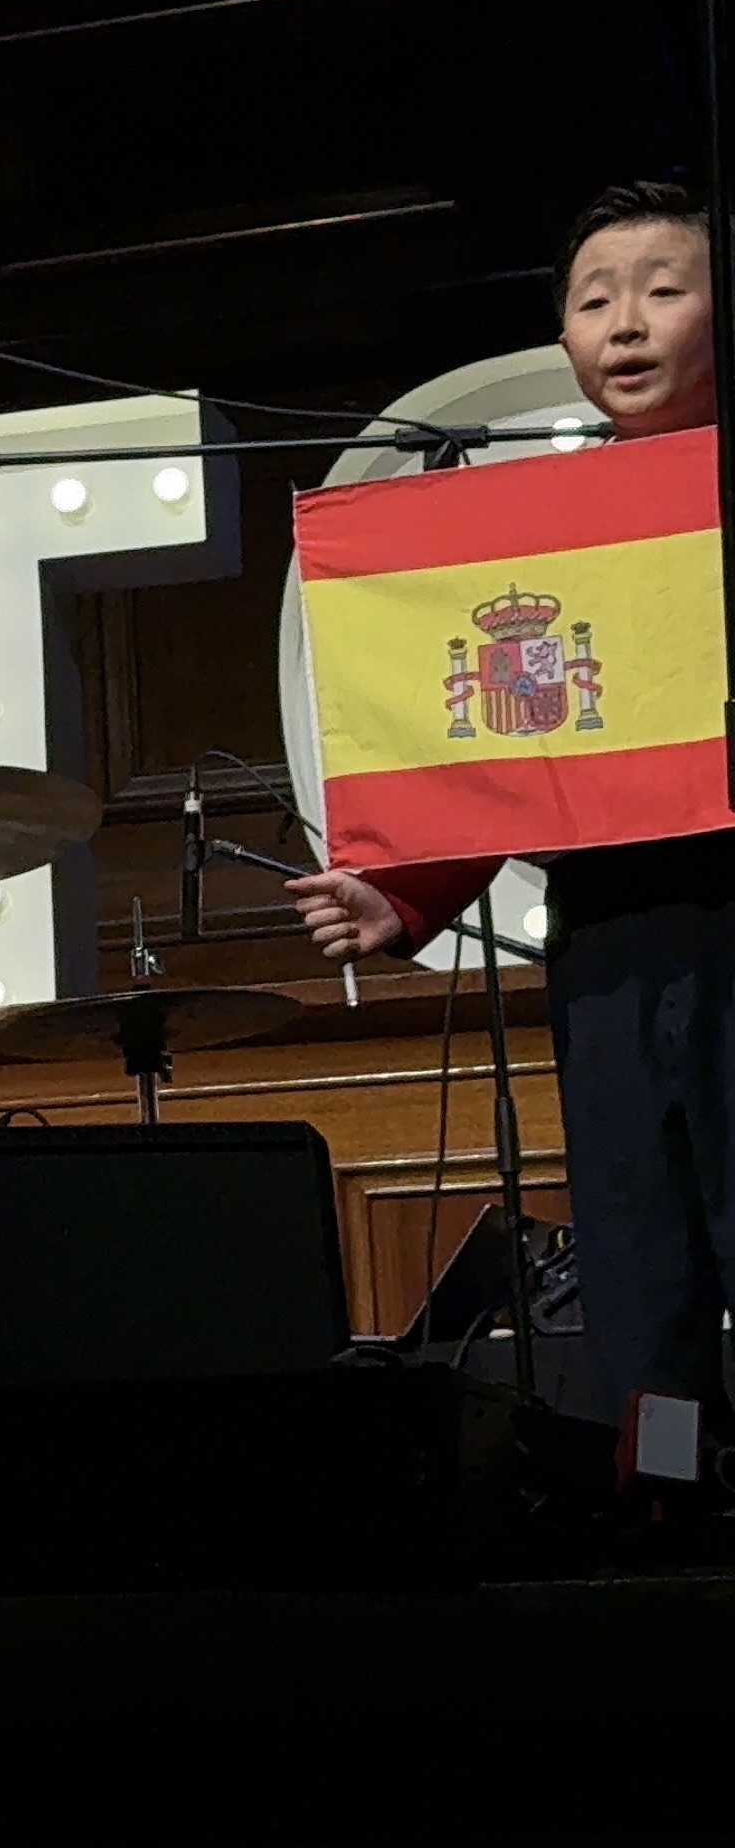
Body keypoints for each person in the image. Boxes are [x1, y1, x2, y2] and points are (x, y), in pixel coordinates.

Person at [289, 181, 732, 1430]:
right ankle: (664, 1494)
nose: (626, 324)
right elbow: (508, 745)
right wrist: (403, 889)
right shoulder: (544, 529)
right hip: (608, 936)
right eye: (595, 302)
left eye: (663, 290)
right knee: (641, 1261)